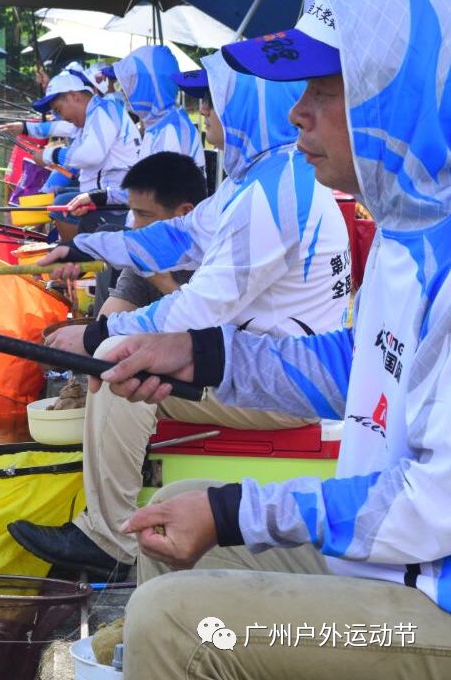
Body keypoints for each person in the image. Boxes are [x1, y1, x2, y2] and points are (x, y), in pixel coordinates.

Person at [93, 1, 451, 677]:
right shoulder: (411, 228)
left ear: (393, 98)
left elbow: (433, 504)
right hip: (397, 561)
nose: (296, 115)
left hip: (436, 596)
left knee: (173, 622)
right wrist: (199, 356)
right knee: (163, 536)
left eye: (323, 91)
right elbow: (357, 366)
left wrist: (232, 512)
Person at [8, 49, 353, 583]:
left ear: (244, 110)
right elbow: (178, 237)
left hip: (283, 385)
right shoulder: (261, 177)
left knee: (114, 362)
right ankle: (109, 513)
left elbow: (200, 306)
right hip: (258, 359)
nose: (207, 121)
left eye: (213, 108)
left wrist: (101, 331)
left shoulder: (272, 193)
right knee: (119, 352)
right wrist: (84, 249)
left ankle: (108, 536)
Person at [0, 70, 141, 240]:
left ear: (75, 96)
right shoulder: (92, 115)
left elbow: (89, 156)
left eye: (59, 110)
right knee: (63, 199)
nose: (61, 117)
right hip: (106, 194)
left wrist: (50, 155)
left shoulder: (103, 112)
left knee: (62, 206)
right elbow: (56, 127)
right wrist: (25, 128)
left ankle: (78, 256)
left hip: (119, 200)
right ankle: (71, 250)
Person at [87, 152, 206, 319]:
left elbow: (211, 333)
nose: (134, 227)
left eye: (144, 215)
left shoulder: (221, 260)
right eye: (134, 214)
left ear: (185, 214)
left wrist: (164, 283)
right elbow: (104, 324)